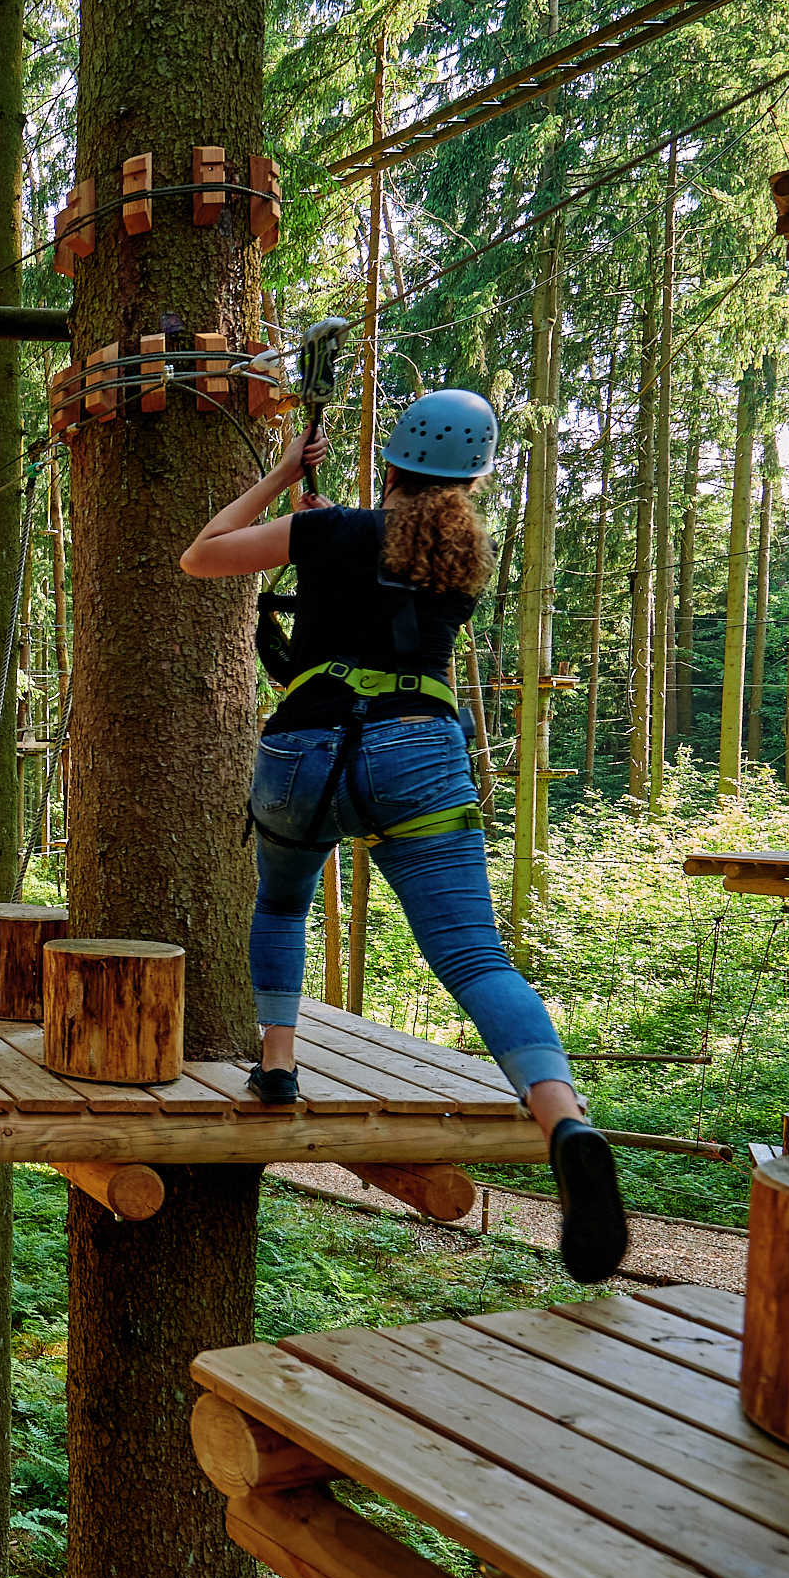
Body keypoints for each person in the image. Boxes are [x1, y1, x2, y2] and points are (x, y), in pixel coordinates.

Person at [179, 388, 628, 1282]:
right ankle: (564, 1117)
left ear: (389, 460)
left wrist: (284, 481)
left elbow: (201, 555)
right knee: (473, 959)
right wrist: (327, 531)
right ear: (470, 480)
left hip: (305, 751)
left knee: (281, 901)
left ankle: (276, 1067)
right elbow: (384, 588)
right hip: (418, 751)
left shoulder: (328, 530)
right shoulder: (464, 556)